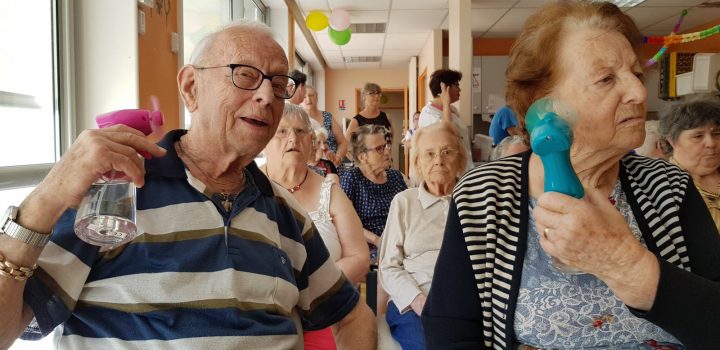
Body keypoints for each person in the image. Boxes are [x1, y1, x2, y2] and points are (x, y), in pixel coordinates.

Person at [0, 20, 376, 349]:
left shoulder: (285, 215)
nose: (266, 96)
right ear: (191, 87)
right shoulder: (112, 193)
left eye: (279, 84)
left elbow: (352, 317)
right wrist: (44, 200)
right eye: (244, 75)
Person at [422, 2, 720, 349]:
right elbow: (449, 332)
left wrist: (626, 265)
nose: (639, 93)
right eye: (606, 79)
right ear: (544, 105)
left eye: (636, 75)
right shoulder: (485, 194)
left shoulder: (669, 186)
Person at [262, 103, 370, 350]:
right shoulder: (249, 188)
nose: (292, 138)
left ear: (311, 142)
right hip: (267, 313)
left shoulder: (329, 192)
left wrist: (310, 294)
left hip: (326, 309)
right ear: (265, 140)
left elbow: (359, 257)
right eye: (282, 131)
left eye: (301, 132)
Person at [378, 122, 467, 349]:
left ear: (460, 159)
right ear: (417, 161)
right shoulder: (404, 203)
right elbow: (388, 267)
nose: (438, 160)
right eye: (429, 154)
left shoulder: (474, 200)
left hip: (465, 304)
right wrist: (420, 302)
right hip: (414, 305)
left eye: (447, 152)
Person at [341, 125, 407, 265]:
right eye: (379, 148)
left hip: (401, 241)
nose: (387, 151)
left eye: (386, 145)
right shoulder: (352, 178)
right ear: (362, 156)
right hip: (370, 246)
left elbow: (409, 214)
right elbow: (345, 223)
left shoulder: (396, 177)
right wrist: (378, 241)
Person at [658, 94, 720, 234]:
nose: (711, 143)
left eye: (717, 133)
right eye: (698, 136)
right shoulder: (662, 187)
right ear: (672, 141)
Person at [418, 69, 474, 173]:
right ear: (444, 87)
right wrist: (446, 103)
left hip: (464, 165)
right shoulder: (428, 113)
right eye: (456, 85)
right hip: (445, 169)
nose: (459, 89)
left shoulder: (453, 110)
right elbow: (447, 135)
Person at [302, 86, 348, 166]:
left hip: (333, 164)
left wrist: (338, 158)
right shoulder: (298, 119)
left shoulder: (327, 116)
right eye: (304, 96)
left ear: (317, 98)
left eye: (311, 95)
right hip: (309, 166)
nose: (308, 99)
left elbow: (342, 142)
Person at [343, 83, 392, 147]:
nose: (376, 96)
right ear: (364, 96)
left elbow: (390, 140)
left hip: (386, 157)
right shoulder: (356, 121)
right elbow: (345, 145)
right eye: (372, 93)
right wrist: (357, 157)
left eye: (378, 93)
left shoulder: (387, 117)